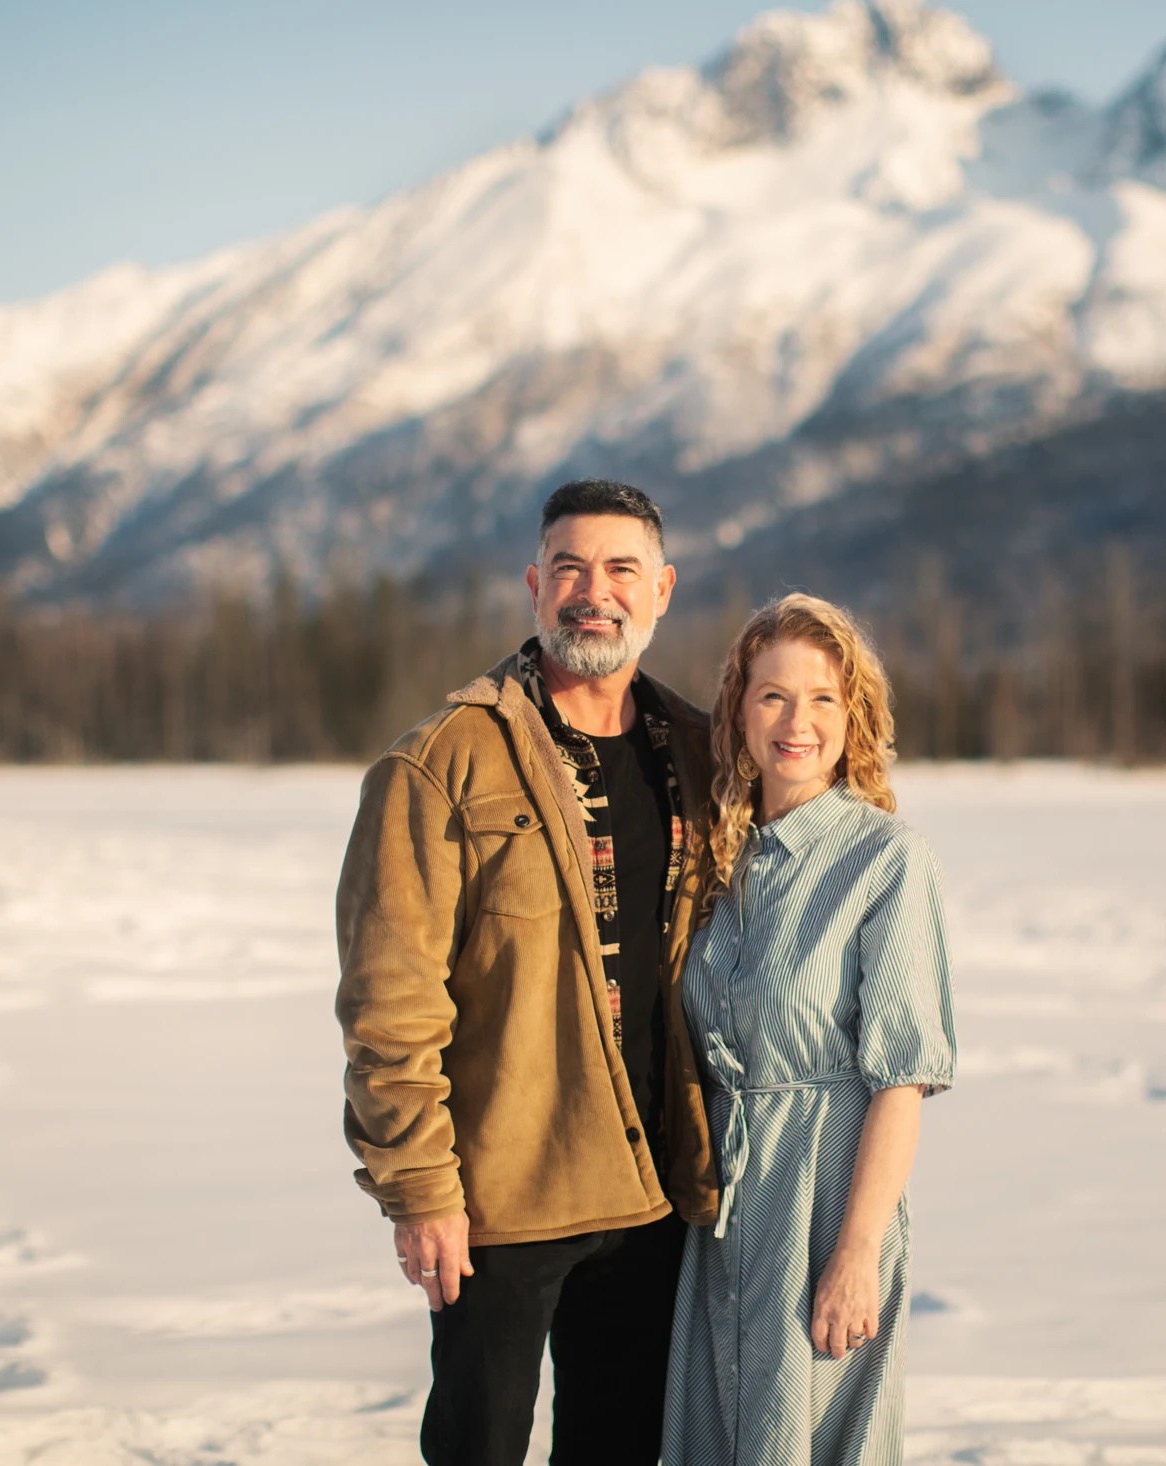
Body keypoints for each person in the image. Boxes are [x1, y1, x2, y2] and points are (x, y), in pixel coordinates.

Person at [334, 479, 720, 1466]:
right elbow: (390, 1000)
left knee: (623, 1445)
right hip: (502, 1191)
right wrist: (420, 1185)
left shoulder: (698, 751)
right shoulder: (440, 762)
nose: (595, 591)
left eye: (621, 568)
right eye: (569, 568)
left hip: (651, 1189)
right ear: (534, 586)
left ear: (662, 589)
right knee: (479, 1447)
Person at [663, 593, 957, 1466]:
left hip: (828, 1201)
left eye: (823, 697)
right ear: (738, 712)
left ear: (852, 715)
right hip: (721, 1211)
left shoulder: (886, 859)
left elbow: (902, 1079)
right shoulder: (717, 859)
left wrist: (857, 1252)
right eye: (773, 696)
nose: (798, 721)